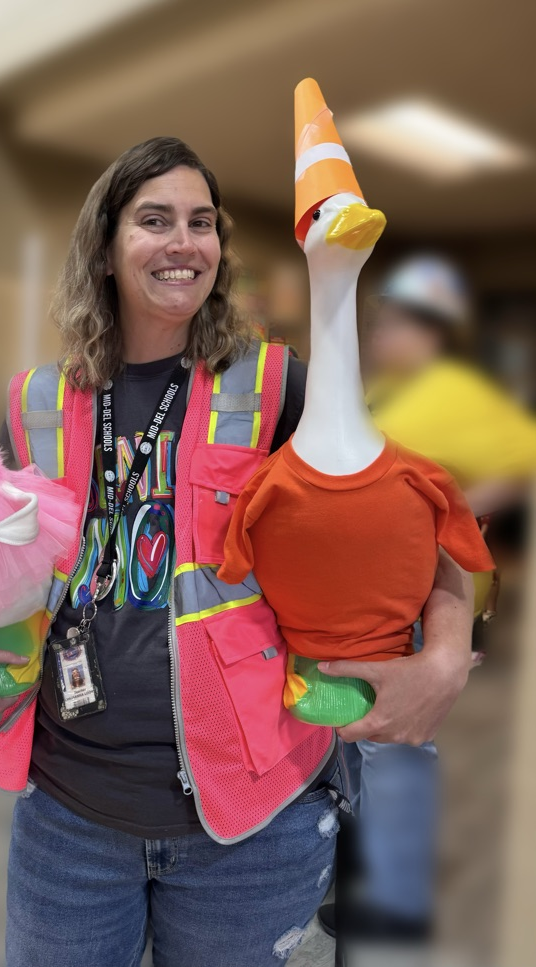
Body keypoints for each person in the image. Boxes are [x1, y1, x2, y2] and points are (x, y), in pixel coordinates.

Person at [0, 139, 475, 967]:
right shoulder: (34, 403)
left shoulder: (279, 387)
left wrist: (449, 655)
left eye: (202, 222)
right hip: (68, 820)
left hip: (252, 827)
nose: (185, 242)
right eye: (155, 220)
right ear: (104, 247)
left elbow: (422, 520)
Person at [318, 255, 536, 943]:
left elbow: (525, 452)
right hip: (373, 598)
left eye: (392, 319)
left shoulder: (454, 392)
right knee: (363, 737)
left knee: (399, 741)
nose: (379, 329)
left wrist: (451, 510)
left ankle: (395, 904)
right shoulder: (389, 392)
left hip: (419, 601)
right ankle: (371, 883)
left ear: (429, 329)